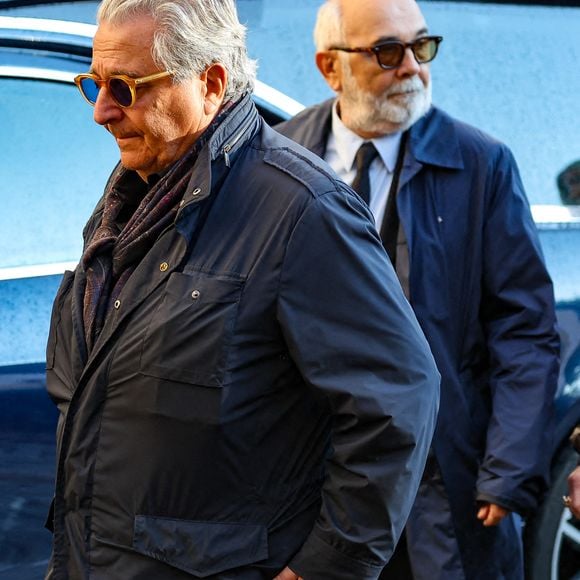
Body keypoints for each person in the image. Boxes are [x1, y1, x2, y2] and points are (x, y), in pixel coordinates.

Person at [43, 0, 440, 578]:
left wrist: (324, 567)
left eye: (126, 87)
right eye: (94, 84)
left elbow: (398, 397)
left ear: (209, 82)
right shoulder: (129, 201)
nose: (102, 111)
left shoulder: (303, 211)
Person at [275, 0, 560, 578]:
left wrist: (508, 469)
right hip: (315, 491)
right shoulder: (278, 159)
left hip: (443, 486)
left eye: (422, 47)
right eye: (387, 52)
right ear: (331, 68)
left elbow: (525, 329)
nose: (412, 68)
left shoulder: (482, 163)